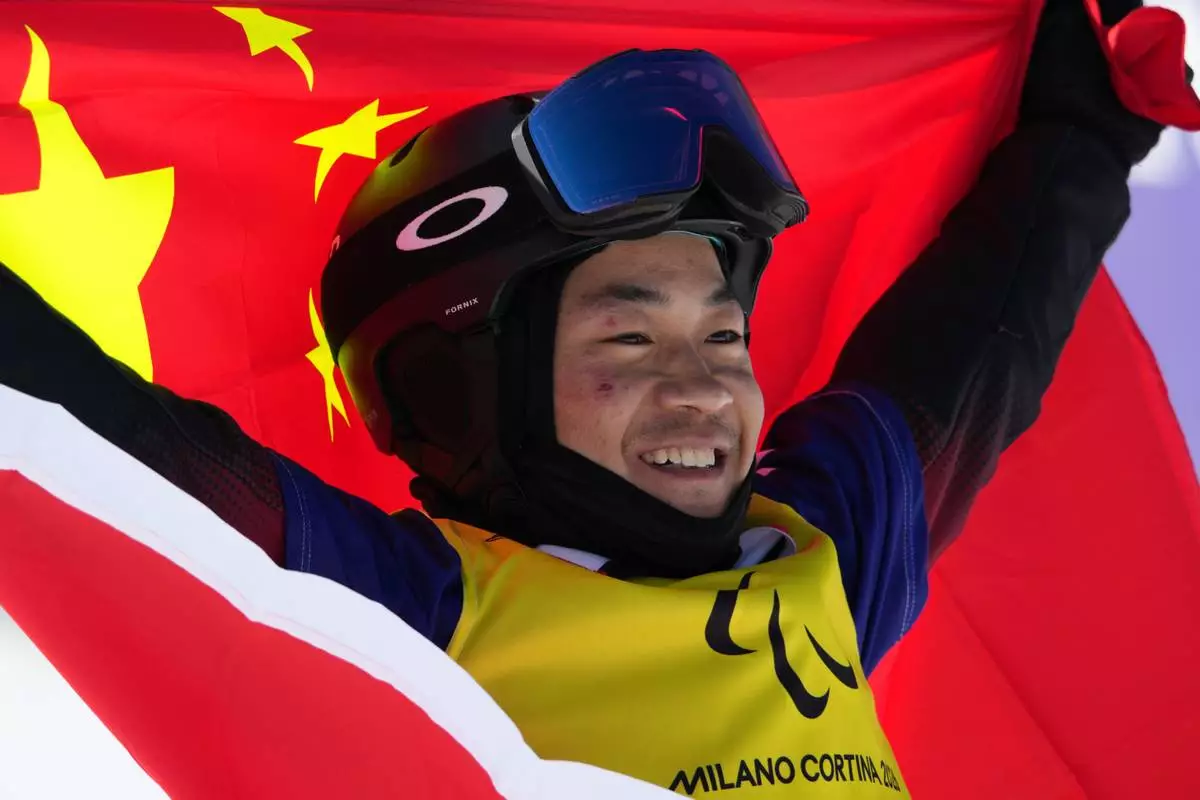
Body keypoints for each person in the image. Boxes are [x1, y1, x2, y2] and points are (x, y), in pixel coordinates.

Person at [0, 0, 1182, 795]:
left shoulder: (822, 552)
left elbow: (978, 337)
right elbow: (109, 438)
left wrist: (1082, 131)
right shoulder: (418, 614)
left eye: (724, 333)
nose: (704, 385)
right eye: (629, 334)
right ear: (463, 390)